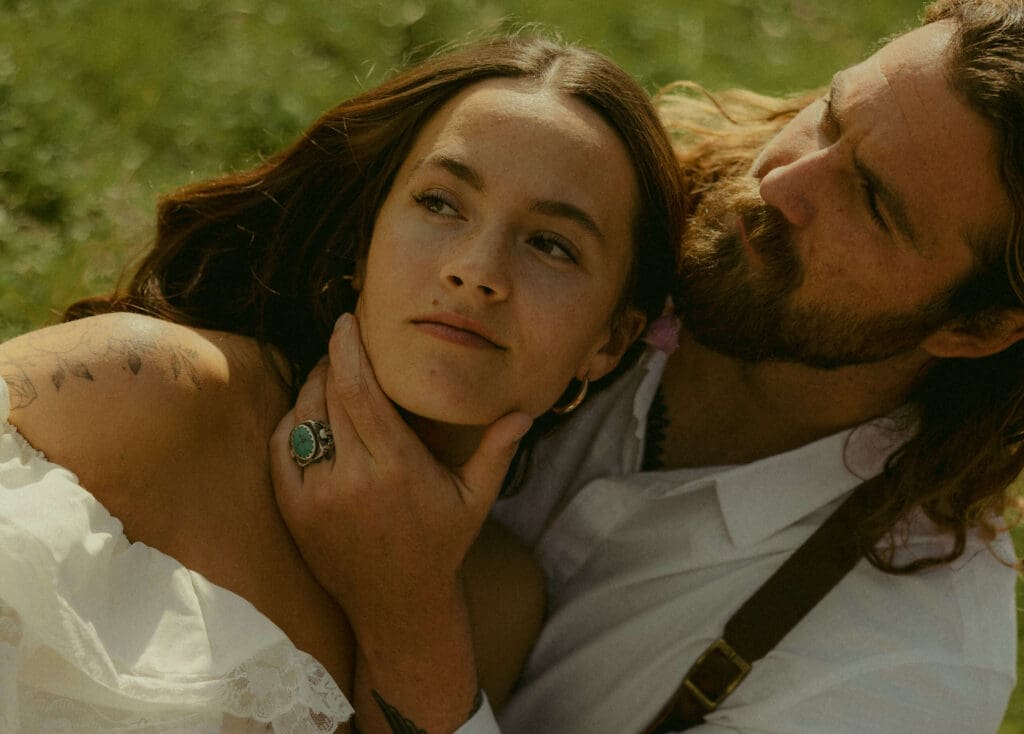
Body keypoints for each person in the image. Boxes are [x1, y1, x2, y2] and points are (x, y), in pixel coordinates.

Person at [273, 1, 1024, 732]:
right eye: (830, 116)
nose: (781, 183)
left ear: (976, 328)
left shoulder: (906, 672)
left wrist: (406, 617)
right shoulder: (594, 204)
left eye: (873, 203)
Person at [0, 37, 686, 732]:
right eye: (440, 203)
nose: (477, 271)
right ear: (363, 242)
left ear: (608, 342)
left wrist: (412, 607)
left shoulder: (499, 603)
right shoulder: (144, 388)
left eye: (551, 245)